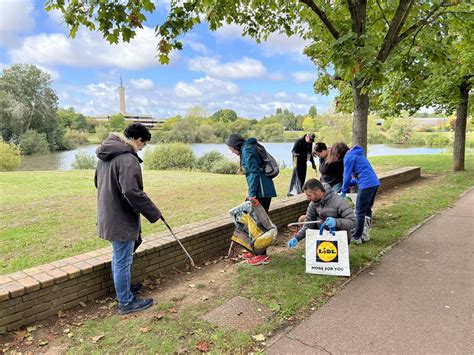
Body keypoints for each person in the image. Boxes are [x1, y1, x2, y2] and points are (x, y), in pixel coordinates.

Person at [95, 123, 162, 314]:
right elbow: (132, 191)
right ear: (138, 140)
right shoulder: (127, 158)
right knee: (122, 259)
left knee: (121, 257)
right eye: (144, 144)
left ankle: (124, 290)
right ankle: (125, 302)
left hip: (108, 214)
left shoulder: (106, 155)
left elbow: (97, 183)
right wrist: (154, 213)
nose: (143, 147)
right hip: (119, 218)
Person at [225, 133, 277, 266]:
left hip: (261, 191)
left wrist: (252, 194)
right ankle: (255, 251)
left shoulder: (247, 149)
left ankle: (262, 255)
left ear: (236, 145)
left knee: (260, 224)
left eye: (231, 148)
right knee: (252, 222)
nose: (231, 151)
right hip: (260, 189)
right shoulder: (249, 147)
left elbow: (253, 172)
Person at [328, 143, 380, 244]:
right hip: (374, 183)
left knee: (359, 211)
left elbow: (346, 176)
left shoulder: (348, 157)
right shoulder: (357, 154)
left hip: (366, 185)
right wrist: (352, 183)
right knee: (367, 210)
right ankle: (365, 234)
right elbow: (362, 173)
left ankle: (356, 237)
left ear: (338, 153)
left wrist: (343, 191)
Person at [287, 178, 356, 248]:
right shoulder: (313, 204)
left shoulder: (339, 202)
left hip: (338, 236)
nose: (307, 198)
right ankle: (315, 249)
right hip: (321, 233)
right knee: (303, 219)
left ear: (318, 192)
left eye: (309, 195)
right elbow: (308, 224)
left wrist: (336, 222)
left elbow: (353, 221)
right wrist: (297, 238)